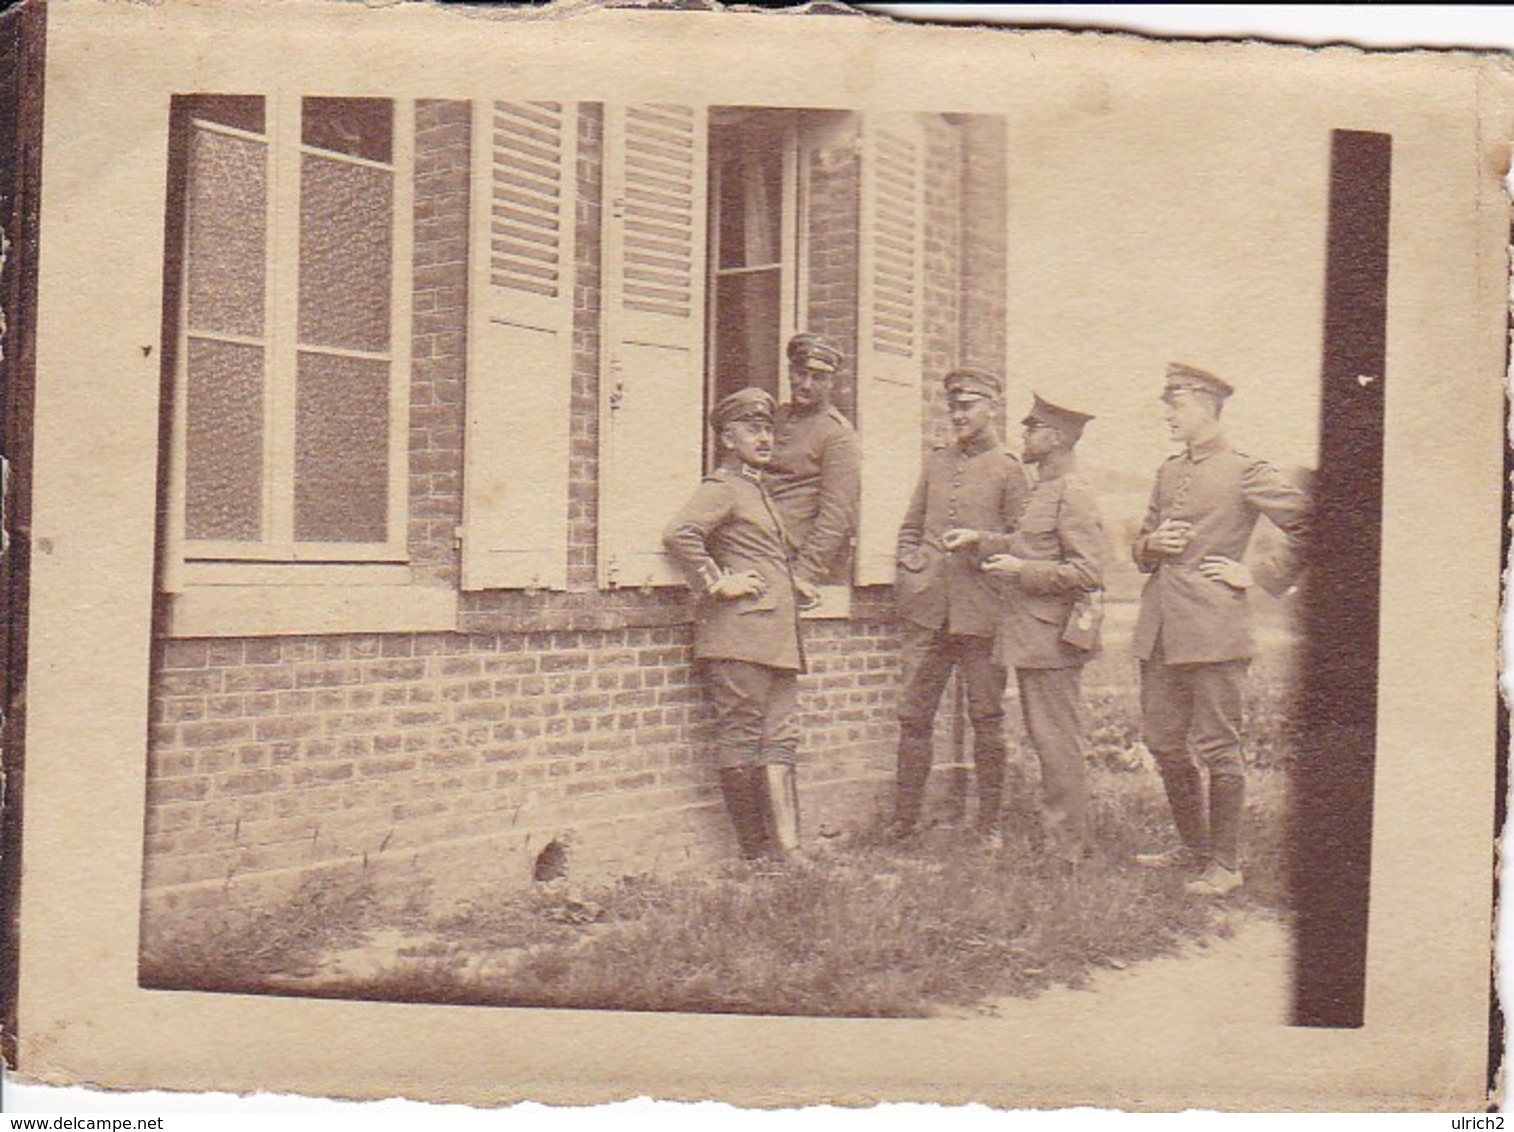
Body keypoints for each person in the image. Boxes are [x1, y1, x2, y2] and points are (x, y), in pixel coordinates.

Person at [1131, 363, 1311, 897]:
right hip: (1161, 629)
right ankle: (1194, 847)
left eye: (1176, 405)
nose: (1167, 414)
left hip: (1213, 629)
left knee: (1217, 746)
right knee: (1163, 741)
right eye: (1167, 404)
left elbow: (1315, 523)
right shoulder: (1167, 472)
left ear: (1208, 406)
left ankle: (1226, 865)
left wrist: (1256, 575)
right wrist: (1150, 545)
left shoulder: (1244, 470)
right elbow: (1141, 545)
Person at [663, 388, 819, 861]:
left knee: (781, 743)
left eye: (768, 428)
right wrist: (716, 583)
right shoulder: (724, 486)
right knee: (743, 740)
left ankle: (790, 853)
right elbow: (679, 533)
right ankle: (757, 857)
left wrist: (794, 583)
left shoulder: (755, 488)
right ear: (728, 437)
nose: (764, 437)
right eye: (752, 429)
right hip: (738, 637)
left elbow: (759, 553)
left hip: (775, 637)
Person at [893, 368, 1030, 843]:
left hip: (981, 612)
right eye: (953, 405)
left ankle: (988, 824)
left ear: (991, 405)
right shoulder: (936, 462)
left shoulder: (1009, 468)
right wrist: (912, 570)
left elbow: (1026, 543)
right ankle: (903, 823)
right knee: (913, 715)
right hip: (930, 612)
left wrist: (981, 542)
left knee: (986, 718)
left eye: (967, 405)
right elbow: (910, 528)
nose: (958, 414)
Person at [970, 394, 1105, 876]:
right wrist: (983, 542)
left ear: (1057, 438)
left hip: (1053, 641)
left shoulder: (1073, 491)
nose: (1025, 437)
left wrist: (1022, 570)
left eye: (1033, 430)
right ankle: (1070, 844)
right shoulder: (1042, 490)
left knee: (1056, 741)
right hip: (1031, 638)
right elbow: (1034, 543)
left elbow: (1088, 571)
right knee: (1048, 738)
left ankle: (1065, 852)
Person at [765, 333, 862, 587]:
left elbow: (836, 517)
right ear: (789, 372)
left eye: (818, 377)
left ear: (831, 382)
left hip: (792, 561)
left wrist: (803, 574)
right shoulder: (775, 418)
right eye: (800, 373)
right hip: (758, 549)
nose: (806, 384)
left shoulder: (838, 435)